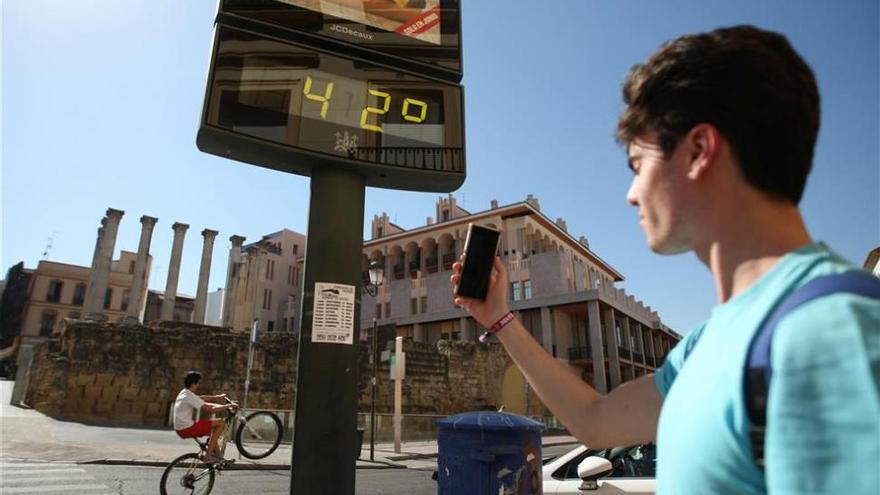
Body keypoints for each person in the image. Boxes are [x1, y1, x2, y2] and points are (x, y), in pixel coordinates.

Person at [451, 25, 879, 494]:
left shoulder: (833, 334)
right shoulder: (710, 343)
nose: (632, 195)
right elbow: (596, 421)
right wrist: (499, 318)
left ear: (698, 151)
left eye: (638, 164)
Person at [173, 370, 238, 462]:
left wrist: (218, 397)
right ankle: (207, 456)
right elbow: (211, 409)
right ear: (193, 383)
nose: (198, 385)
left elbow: (202, 398)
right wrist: (229, 406)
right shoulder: (189, 396)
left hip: (180, 428)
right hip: (186, 428)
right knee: (221, 423)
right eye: (198, 383)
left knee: (214, 431)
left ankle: (220, 458)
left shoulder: (184, 393)